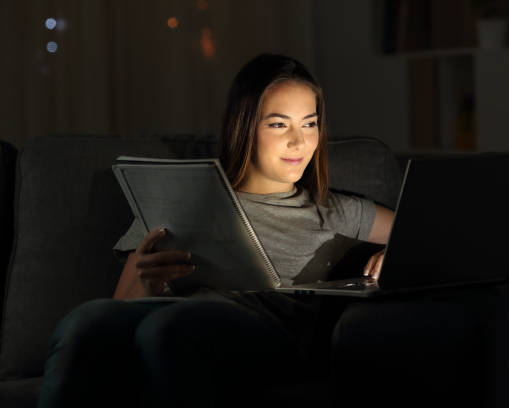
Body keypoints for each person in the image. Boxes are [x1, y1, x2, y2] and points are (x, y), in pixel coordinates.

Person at [36, 53, 396, 408]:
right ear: (244, 126)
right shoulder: (184, 201)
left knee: (168, 328)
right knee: (84, 322)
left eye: (309, 123)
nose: (298, 141)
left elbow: (426, 237)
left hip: (263, 334)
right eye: (277, 124)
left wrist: (395, 253)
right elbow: (117, 309)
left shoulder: (336, 211)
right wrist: (147, 283)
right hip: (177, 319)